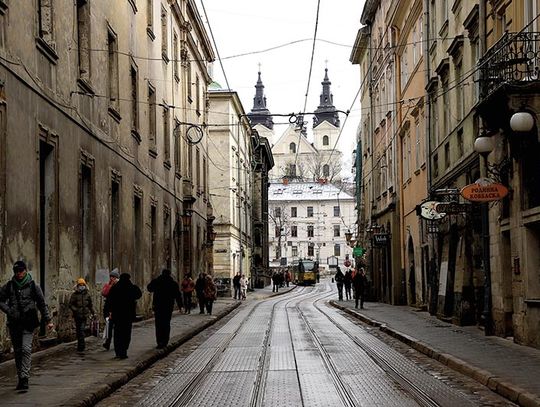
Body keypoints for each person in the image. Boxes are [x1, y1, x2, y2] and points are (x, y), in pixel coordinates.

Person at [0, 260, 54, 390]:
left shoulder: (33, 286)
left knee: (26, 349)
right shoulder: (9, 286)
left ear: (25, 271)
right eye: (16, 272)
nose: (19, 274)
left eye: (21, 271)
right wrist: (9, 310)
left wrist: (48, 320)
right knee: (18, 351)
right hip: (14, 323)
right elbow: (0, 300)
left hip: (28, 322)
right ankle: (20, 377)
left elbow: (42, 304)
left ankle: (25, 377)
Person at [107, 273, 142, 359]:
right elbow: (139, 294)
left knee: (117, 333)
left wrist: (110, 311)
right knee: (126, 333)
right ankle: (124, 351)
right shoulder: (131, 287)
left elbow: (109, 300)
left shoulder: (115, 288)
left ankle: (118, 351)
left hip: (117, 315)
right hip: (128, 315)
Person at [147, 269, 182, 349]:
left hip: (158, 306)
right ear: (169, 274)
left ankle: (159, 342)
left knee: (158, 324)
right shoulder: (173, 283)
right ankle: (165, 341)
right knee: (166, 323)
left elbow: (149, 288)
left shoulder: (157, 281)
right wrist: (181, 306)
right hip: (168, 306)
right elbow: (178, 295)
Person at [69, 278, 95, 352]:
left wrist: (93, 313)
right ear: (77, 286)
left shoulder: (87, 295)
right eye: (80, 285)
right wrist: (75, 310)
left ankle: (82, 346)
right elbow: (70, 304)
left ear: (85, 285)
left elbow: (90, 305)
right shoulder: (74, 295)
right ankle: (80, 345)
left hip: (84, 316)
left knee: (81, 330)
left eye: (83, 285)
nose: (81, 286)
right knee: (78, 331)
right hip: (77, 316)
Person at [101, 268, 119, 350]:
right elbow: (104, 293)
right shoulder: (108, 285)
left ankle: (116, 343)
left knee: (115, 327)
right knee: (109, 325)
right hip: (108, 309)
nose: (112, 278)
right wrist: (110, 286)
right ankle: (107, 342)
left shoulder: (119, 285)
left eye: (113, 277)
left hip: (115, 309)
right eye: (111, 277)